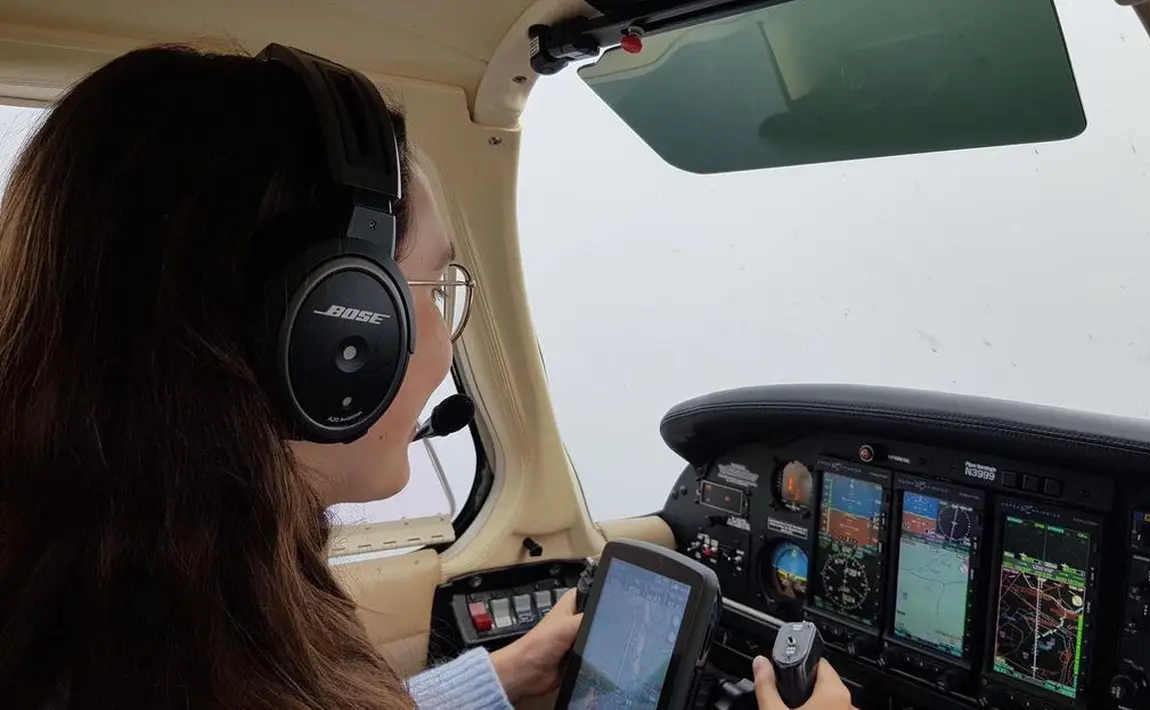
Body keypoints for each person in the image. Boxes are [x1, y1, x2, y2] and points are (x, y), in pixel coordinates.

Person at [0, 44, 856, 710]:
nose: (445, 343)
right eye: (432, 288)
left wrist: (502, 678)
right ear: (333, 330)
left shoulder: (119, 608)